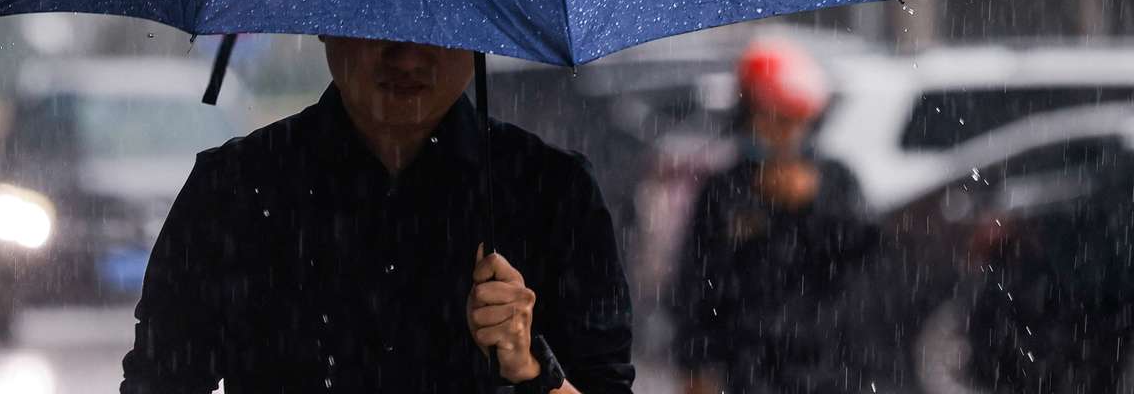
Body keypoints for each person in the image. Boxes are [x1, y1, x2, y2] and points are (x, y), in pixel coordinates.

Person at [120, 36, 635, 393]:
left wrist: (530, 368)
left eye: (434, 22)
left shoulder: (550, 192)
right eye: (378, 24)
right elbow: (160, 381)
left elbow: (605, 382)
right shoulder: (236, 188)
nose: (407, 58)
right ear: (324, 26)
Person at [671, 38, 874, 394]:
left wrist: (812, 204)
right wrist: (695, 363)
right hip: (746, 370)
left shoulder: (837, 179)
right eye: (768, 119)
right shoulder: (724, 189)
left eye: (790, 121)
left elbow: (863, 261)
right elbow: (698, 282)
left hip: (826, 366)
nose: (779, 133)